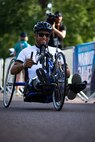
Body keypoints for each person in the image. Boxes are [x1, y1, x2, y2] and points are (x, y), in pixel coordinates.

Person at [11, 21, 86, 100]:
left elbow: (67, 73)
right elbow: (12, 70)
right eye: (41, 34)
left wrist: (61, 68)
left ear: (49, 37)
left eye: (47, 35)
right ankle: (56, 87)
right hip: (34, 88)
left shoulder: (57, 51)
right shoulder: (26, 51)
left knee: (56, 79)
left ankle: (71, 89)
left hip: (54, 83)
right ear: (35, 35)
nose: (44, 37)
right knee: (39, 80)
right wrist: (24, 65)